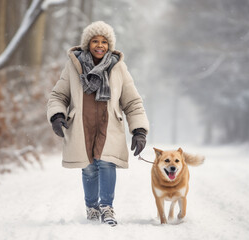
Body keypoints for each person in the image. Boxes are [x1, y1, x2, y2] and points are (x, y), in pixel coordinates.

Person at [47, 21, 149, 226]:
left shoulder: (117, 67)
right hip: (82, 126)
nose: (100, 45)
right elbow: (58, 95)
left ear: (109, 45)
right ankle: (92, 207)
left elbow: (132, 101)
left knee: (107, 163)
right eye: (95, 41)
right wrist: (57, 115)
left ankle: (107, 207)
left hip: (108, 125)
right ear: (88, 43)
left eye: (104, 41)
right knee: (89, 168)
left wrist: (139, 130)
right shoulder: (74, 66)